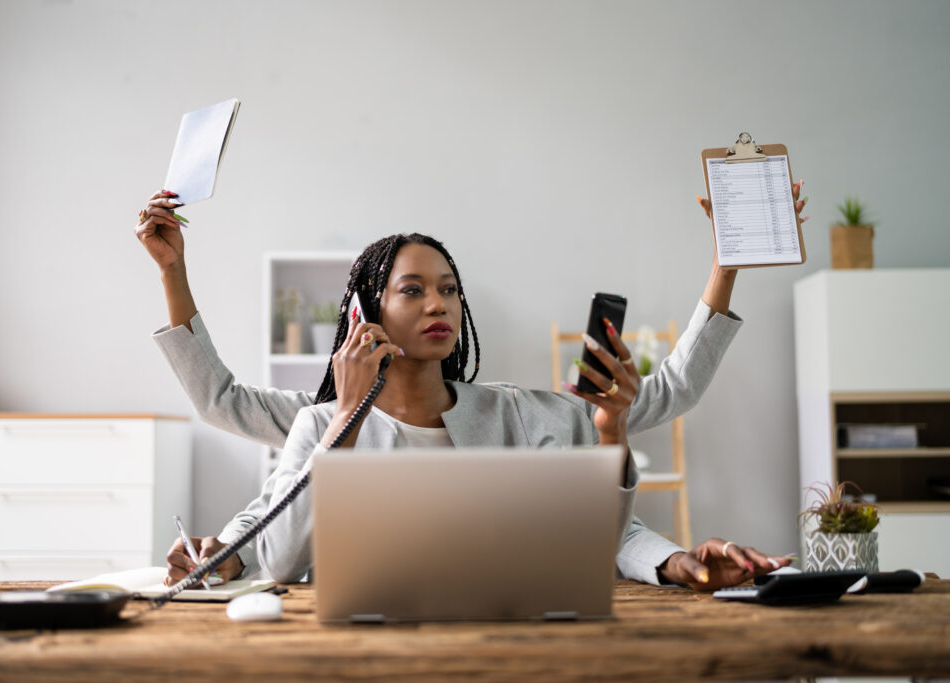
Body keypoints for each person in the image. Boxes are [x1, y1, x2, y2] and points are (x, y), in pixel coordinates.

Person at [134, 184, 806, 591]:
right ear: (365, 313)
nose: (439, 304)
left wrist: (727, 268)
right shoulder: (322, 421)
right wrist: (172, 274)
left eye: (450, 290)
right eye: (414, 290)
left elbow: (664, 406)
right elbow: (262, 495)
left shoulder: (522, 414)